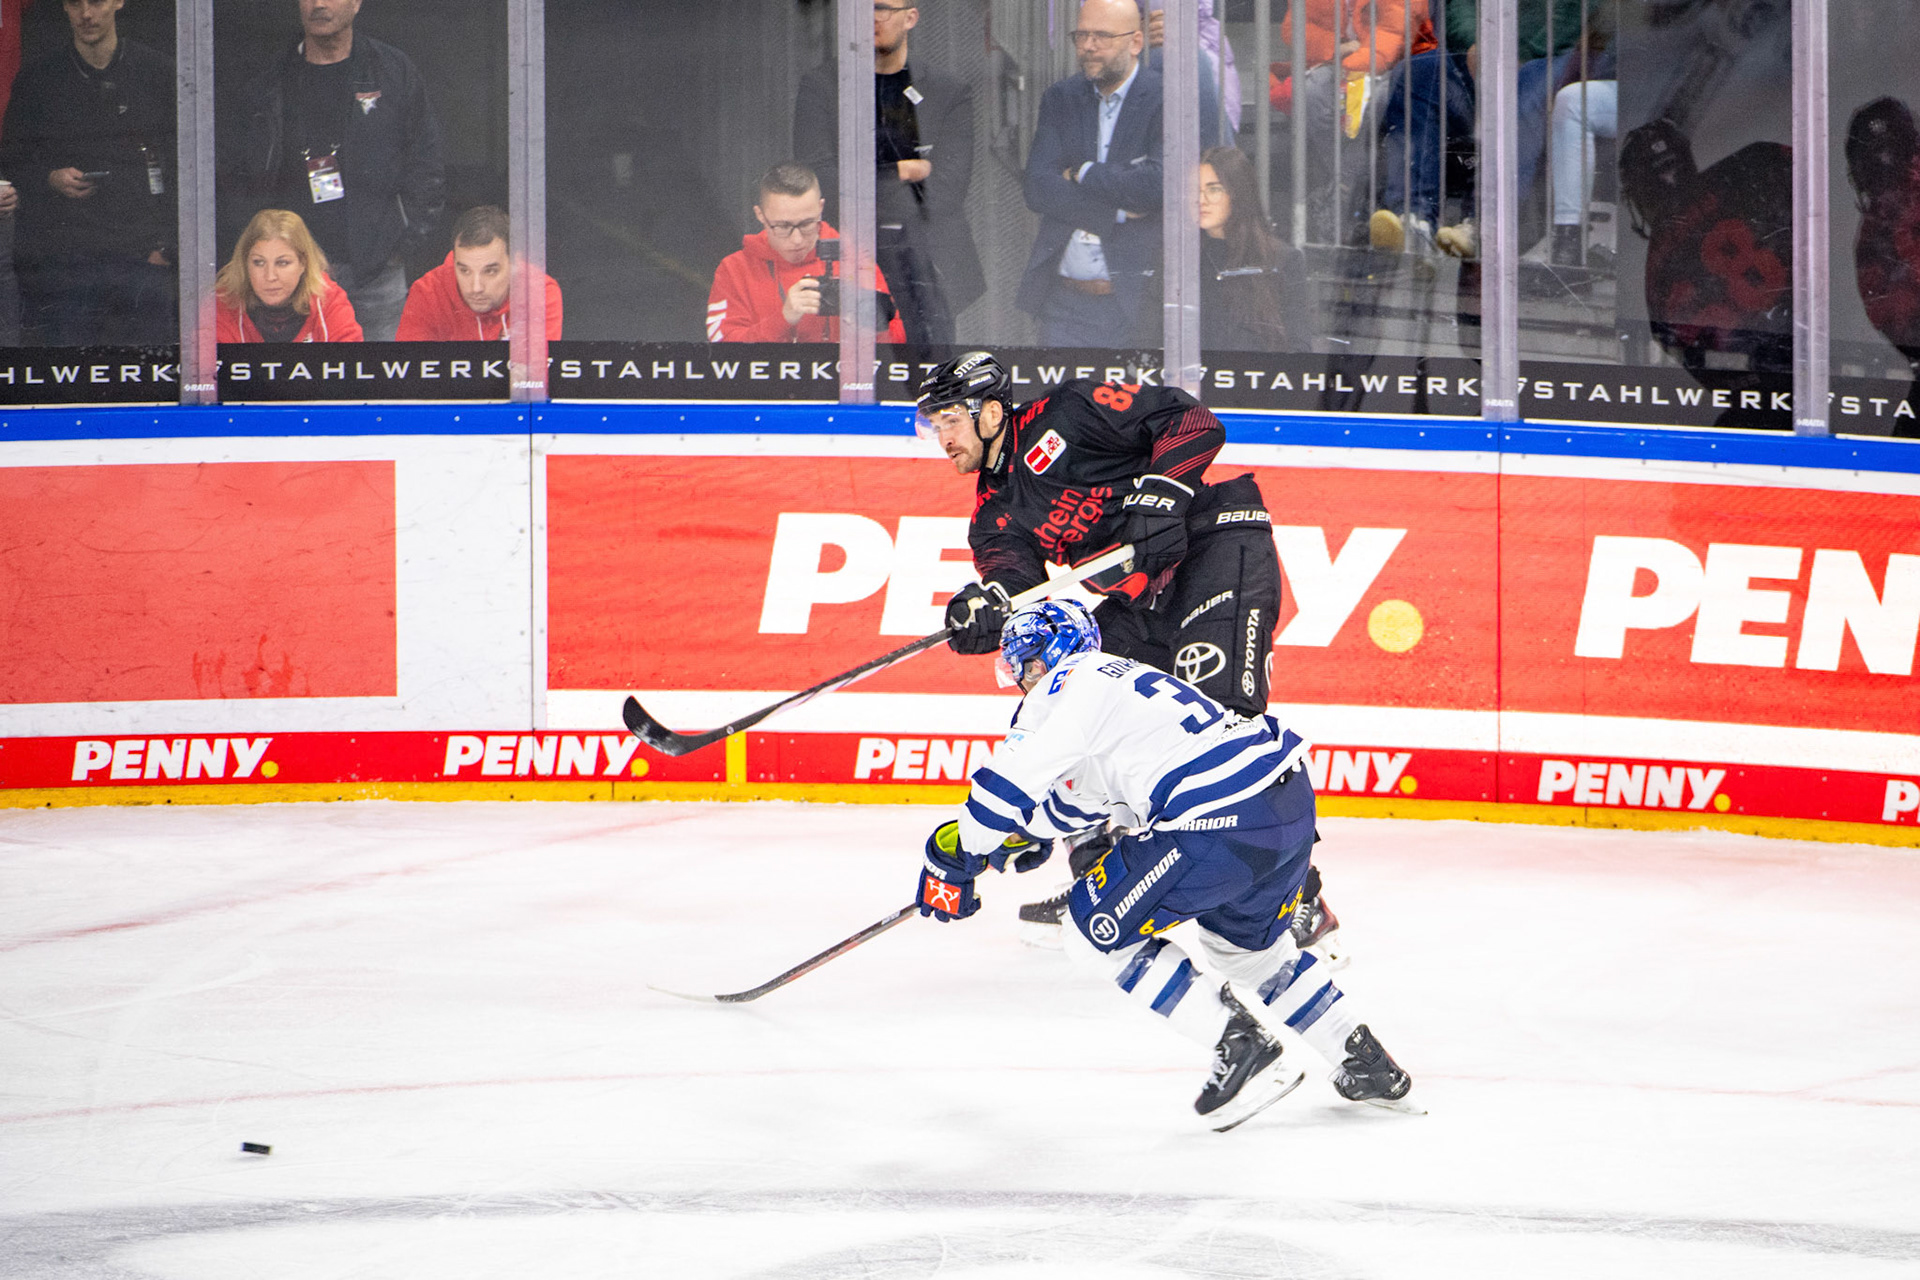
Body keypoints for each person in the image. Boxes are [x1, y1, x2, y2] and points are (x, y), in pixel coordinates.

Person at [914, 599, 1416, 1131]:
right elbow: (1082, 798)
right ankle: (1363, 1061)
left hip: (1217, 817)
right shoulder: (1125, 679)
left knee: (1092, 931)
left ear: (1049, 657)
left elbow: (1005, 784)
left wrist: (956, 854)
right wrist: (1026, 834)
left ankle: (1243, 1044)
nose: (1023, 680)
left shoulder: (1063, 688)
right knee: (1250, 954)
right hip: (1284, 804)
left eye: (1026, 665)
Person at [228, 0, 446, 341]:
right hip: (292, 277)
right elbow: (243, 172)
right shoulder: (272, 79)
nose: (318, 4)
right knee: (300, 387)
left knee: (379, 384)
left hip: (376, 271)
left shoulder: (391, 69)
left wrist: (404, 241)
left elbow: (426, 160)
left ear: (357, 3)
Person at [1020, 0, 1219, 348]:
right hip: (1063, 303)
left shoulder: (1167, 98)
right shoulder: (1061, 97)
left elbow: (1157, 185)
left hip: (1136, 304)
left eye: (1102, 36)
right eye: (1081, 35)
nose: (1089, 46)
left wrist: (1083, 173)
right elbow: (1038, 187)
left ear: (1136, 42)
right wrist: (1114, 211)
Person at [792, 0, 983, 348]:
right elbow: (820, 184)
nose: (870, 19)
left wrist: (863, 185)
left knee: (929, 379)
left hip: (926, 267)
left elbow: (948, 191)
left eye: (881, 8)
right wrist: (902, 171)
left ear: (911, 17)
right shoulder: (822, 86)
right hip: (852, 258)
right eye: (862, 9)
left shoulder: (948, 91)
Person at [0, 0, 176, 346]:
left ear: (118, 2)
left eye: (95, 2)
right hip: (63, 266)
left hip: (140, 259)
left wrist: (168, 249)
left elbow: (187, 163)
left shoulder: (157, 73)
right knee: (64, 381)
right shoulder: (38, 79)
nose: (86, 14)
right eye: (75, 4)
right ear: (64, 9)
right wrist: (48, 178)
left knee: (144, 382)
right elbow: (11, 160)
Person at [1368, 0, 1589, 261]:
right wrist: (1475, 42)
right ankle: (1415, 219)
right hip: (1487, 52)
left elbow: (1577, 12)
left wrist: (1521, 50)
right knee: (1419, 72)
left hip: (1553, 55)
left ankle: (1484, 224)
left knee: (1526, 84)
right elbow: (1459, 5)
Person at [1266, 0, 1429, 245]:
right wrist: (1335, 48)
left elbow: (1394, 32)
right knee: (1310, 92)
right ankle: (1351, 187)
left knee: (1377, 101)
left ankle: (1343, 192)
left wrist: (1353, 63)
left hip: (1390, 65)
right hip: (1334, 60)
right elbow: (1295, 27)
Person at [706, 162, 907, 344]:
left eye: (807, 224)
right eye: (782, 226)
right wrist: (782, 319)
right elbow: (724, 355)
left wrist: (868, 325)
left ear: (820, 208)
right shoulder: (734, 269)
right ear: (760, 215)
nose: (797, 239)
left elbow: (897, 345)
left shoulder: (853, 260)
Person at [1198, 145, 1313, 353]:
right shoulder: (1176, 259)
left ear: (1238, 193)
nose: (1201, 200)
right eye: (1194, 191)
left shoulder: (1283, 260)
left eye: (1213, 189)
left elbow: (1299, 348)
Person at [395, 204, 563, 342]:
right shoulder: (427, 293)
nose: (475, 288)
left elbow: (535, 377)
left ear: (515, 264)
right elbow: (414, 376)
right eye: (464, 270)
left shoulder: (540, 292)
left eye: (490, 271)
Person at [214, 207, 363, 342]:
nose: (270, 276)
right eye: (258, 263)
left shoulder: (328, 298)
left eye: (282, 263)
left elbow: (350, 362)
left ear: (303, 263)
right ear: (245, 264)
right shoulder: (222, 303)